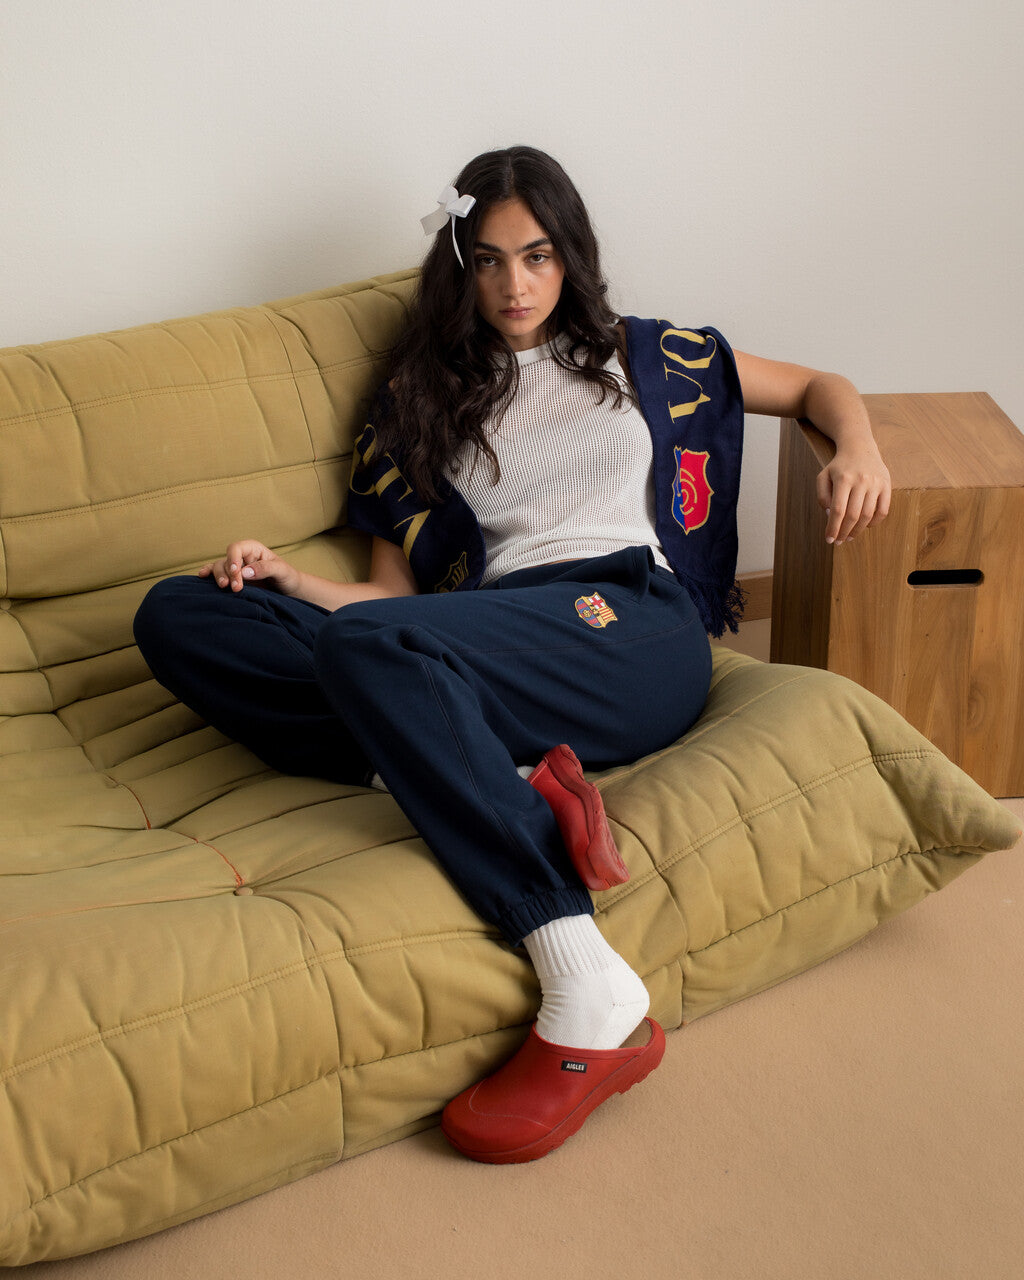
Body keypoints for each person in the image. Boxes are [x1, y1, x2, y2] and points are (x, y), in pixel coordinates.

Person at [133, 145, 891, 1165]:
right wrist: (282, 578)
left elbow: (817, 387)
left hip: (625, 618)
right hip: (487, 645)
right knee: (178, 613)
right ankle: (495, 772)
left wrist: (859, 447)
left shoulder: (639, 353)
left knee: (375, 652)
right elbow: (381, 604)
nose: (515, 284)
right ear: (460, 264)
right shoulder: (418, 404)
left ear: (568, 255)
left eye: (535, 256)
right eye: (488, 260)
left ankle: (581, 970)